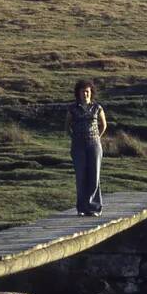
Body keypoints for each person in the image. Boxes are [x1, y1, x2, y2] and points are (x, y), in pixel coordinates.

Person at [64, 79, 107, 216]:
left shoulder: (97, 108)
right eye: (82, 92)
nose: (85, 94)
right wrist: (74, 137)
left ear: (91, 93)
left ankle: (94, 207)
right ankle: (82, 208)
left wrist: (97, 137)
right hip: (78, 145)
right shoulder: (72, 109)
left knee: (94, 175)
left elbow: (103, 125)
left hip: (94, 144)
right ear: (78, 93)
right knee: (80, 175)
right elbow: (67, 126)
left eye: (87, 91)